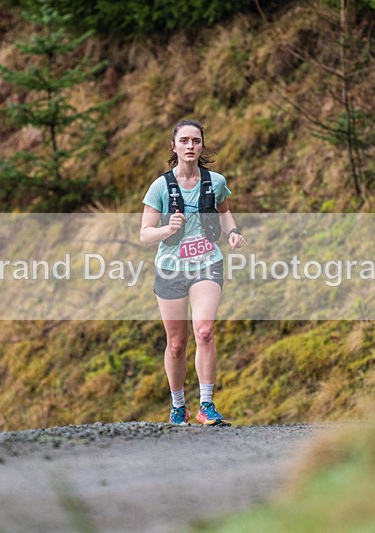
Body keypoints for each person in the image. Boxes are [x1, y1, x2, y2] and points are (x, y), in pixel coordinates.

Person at [140, 119, 245, 426]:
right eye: (183, 141)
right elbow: (144, 234)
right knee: (176, 344)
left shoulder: (215, 182)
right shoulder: (160, 186)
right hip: (171, 269)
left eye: (195, 141)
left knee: (204, 331)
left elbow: (224, 212)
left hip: (207, 263)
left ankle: (206, 404)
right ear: (174, 146)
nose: (190, 146)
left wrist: (234, 233)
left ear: (202, 146)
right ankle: (177, 406)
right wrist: (166, 229)